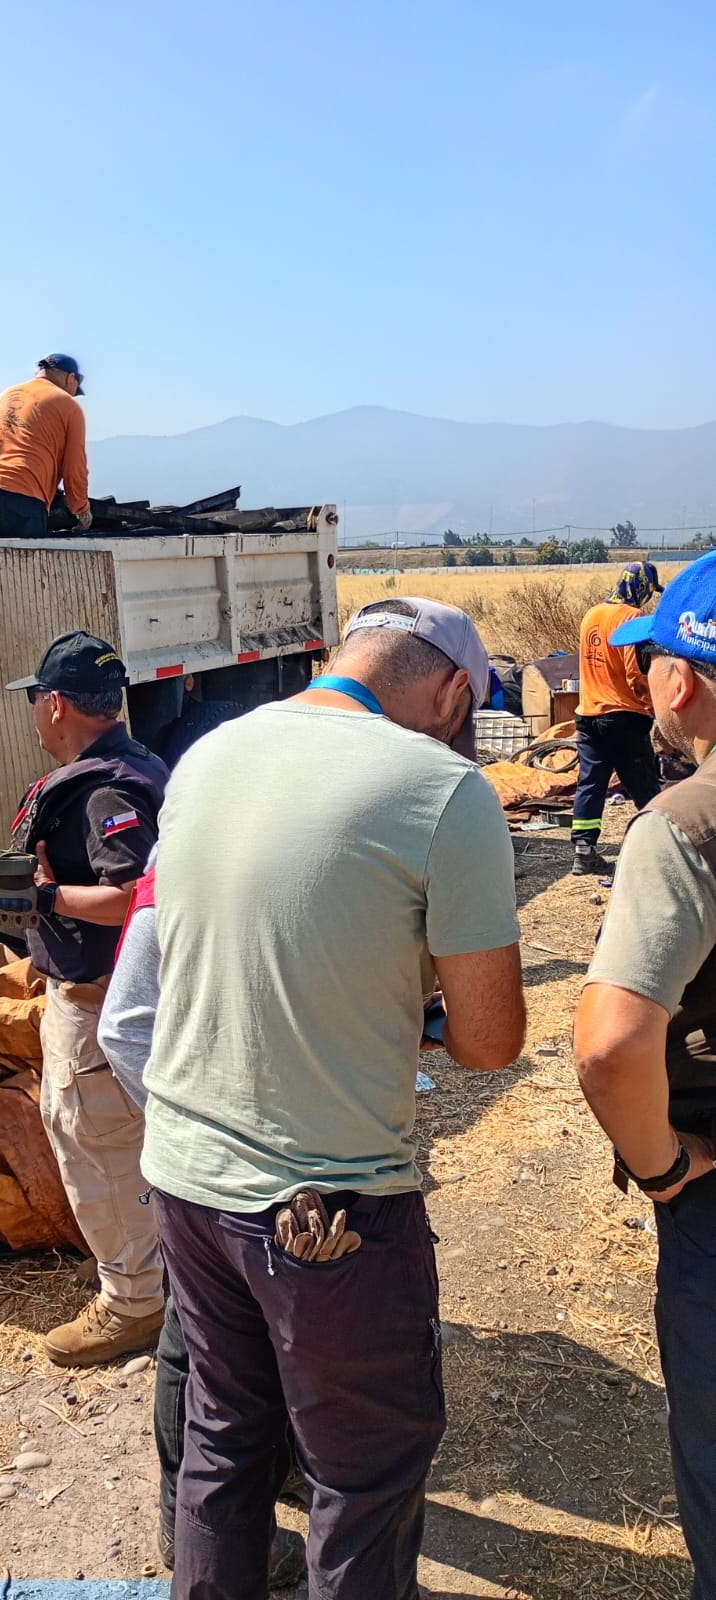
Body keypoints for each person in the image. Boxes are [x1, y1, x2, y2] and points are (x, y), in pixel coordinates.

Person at [141, 597, 526, 1600]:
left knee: (222, 1444)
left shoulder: (208, 754)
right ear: (448, 690)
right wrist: (421, 999)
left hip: (184, 1177)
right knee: (362, 1478)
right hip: (326, 1205)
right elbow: (490, 1041)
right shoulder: (440, 789)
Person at [99, 854, 308, 1591]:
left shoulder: (234, 822)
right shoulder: (198, 830)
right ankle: (184, 1523)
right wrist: (201, 1133)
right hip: (236, 1162)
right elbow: (124, 1028)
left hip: (258, 1152)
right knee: (200, 1345)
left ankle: (268, 1477)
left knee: (255, 1338)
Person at [573, 551, 716, 1600]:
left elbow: (611, 1046)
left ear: (685, 676)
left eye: (656, 656)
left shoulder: (684, 829)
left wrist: (662, 1169)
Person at [5, 630, 168, 1365]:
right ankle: (162, 1274)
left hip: (104, 999)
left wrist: (47, 896)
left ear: (58, 705)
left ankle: (134, 1303)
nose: (35, 713)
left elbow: (133, 893)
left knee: (95, 1140)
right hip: (120, 993)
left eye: (36, 700)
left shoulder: (105, 789)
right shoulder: (137, 764)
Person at [571, 561, 664, 874]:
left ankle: (584, 851)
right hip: (624, 715)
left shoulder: (591, 615)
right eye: (649, 592)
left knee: (591, 783)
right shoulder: (631, 617)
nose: (648, 598)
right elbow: (634, 671)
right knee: (644, 785)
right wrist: (652, 704)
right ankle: (662, 849)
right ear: (640, 588)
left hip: (587, 714)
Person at [0, 356, 92, 540]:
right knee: (20, 567)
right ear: (71, 378)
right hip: (23, 498)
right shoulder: (68, 405)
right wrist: (81, 509)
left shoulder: (6, 395)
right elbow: (74, 467)